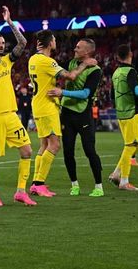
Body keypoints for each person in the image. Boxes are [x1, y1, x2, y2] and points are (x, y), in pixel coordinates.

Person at [0, 6, 36, 207]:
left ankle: (21, 191)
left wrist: (10, 22)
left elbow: (23, 42)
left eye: (3, 43)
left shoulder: (7, 62)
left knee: (27, 151)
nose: (1, 45)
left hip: (11, 115)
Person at [28, 29, 96, 198]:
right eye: (54, 40)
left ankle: (36, 182)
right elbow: (71, 76)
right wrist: (85, 64)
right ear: (50, 43)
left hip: (38, 105)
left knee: (44, 145)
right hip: (47, 106)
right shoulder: (47, 61)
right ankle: (39, 183)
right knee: (54, 145)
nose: (56, 43)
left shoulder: (33, 59)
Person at [47, 38, 103, 197]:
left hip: (83, 114)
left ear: (88, 51)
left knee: (89, 150)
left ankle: (98, 186)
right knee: (68, 151)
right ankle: (74, 185)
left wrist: (62, 92)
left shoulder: (95, 71)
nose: (75, 49)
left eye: (78, 48)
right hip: (66, 113)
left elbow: (86, 94)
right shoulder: (72, 63)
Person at [108, 44, 138, 191]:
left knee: (136, 144)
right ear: (130, 54)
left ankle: (116, 173)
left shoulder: (115, 73)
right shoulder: (130, 71)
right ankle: (124, 181)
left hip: (121, 113)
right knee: (131, 145)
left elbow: (111, 96)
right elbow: (137, 90)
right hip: (132, 112)